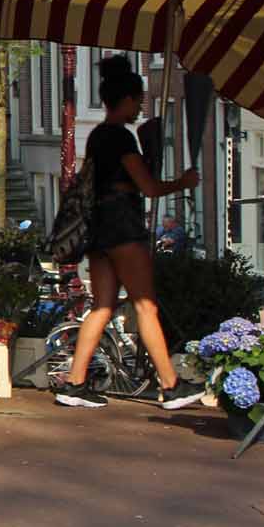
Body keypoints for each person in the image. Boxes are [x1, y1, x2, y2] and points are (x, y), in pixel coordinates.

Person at [55, 55, 205, 411]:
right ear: (124, 99)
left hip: (99, 232)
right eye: (138, 100)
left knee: (102, 306)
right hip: (123, 227)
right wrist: (181, 183)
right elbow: (148, 188)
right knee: (146, 305)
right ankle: (170, 386)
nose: (140, 107)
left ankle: (74, 383)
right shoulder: (121, 139)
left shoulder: (96, 138)